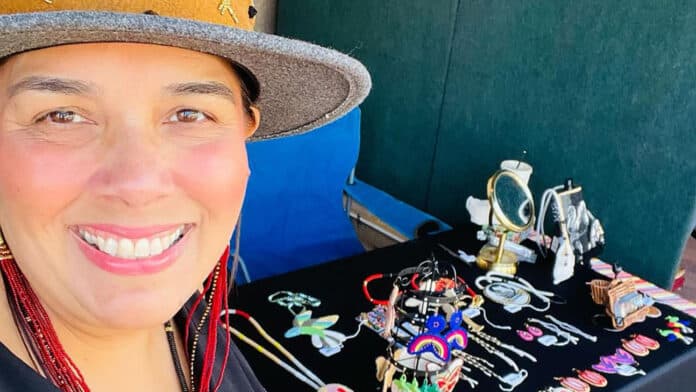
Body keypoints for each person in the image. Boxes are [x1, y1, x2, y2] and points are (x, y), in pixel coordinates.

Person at [0, 1, 371, 391]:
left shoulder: (192, 322)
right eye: (61, 116)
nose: (138, 185)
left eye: (189, 114)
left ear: (244, 134)